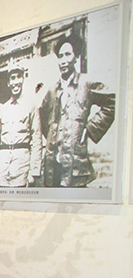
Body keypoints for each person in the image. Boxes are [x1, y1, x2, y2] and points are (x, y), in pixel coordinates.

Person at [40, 35, 115, 187]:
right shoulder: (52, 90)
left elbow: (112, 103)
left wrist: (90, 128)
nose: (63, 60)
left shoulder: (86, 84)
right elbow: (42, 117)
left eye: (68, 54)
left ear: (76, 57)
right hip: (53, 165)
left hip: (76, 164)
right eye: (60, 56)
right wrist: (53, 136)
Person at [0, 63, 42, 187]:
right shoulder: (2, 109)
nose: (15, 82)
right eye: (12, 78)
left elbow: (36, 139)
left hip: (22, 168)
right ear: (8, 83)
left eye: (18, 77)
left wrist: (34, 172)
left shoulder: (31, 106)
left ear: (23, 79)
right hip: (2, 169)